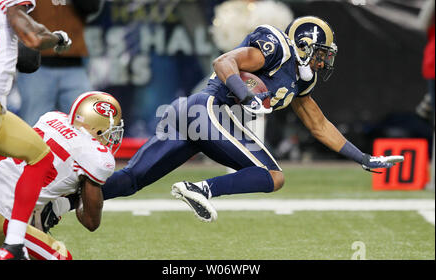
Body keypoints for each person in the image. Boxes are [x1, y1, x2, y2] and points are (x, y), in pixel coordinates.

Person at [49, 16, 404, 225]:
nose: (325, 62)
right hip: (205, 109)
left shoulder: (301, 80)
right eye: (323, 54)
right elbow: (223, 62)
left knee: (129, 181)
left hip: (194, 119)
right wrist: (246, 94)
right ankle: (201, 188)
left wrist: (363, 158)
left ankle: (55, 204)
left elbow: (318, 125)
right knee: (274, 176)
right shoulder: (275, 47)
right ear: (306, 46)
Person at [0, 91, 124, 260]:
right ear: (98, 127)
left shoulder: (52, 118)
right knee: (62, 257)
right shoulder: (96, 157)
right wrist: (80, 190)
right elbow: (91, 222)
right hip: (3, 217)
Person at [0, 0, 72, 259]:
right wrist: (58, 38)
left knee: (39, 156)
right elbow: (32, 38)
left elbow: (24, 55)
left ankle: (13, 245)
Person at [16, 0, 101, 126]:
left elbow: (92, 5)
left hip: (74, 65)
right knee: (34, 127)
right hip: (36, 66)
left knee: (85, 126)